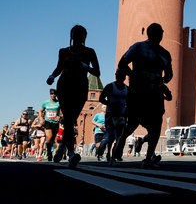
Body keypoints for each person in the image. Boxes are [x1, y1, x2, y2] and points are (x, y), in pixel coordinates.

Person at [112, 23, 173, 168]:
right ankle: (120, 145)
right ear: (149, 33)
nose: (158, 35)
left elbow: (169, 75)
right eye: (155, 32)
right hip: (138, 92)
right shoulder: (138, 47)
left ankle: (147, 158)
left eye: (159, 32)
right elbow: (122, 64)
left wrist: (161, 83)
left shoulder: (164, 53)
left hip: (154, 94)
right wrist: (133, 75)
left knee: (156, 125)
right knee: (132, 124)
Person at [46, 25, 100, 168]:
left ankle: (61, 148)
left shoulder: (89, 52)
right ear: (71, 36)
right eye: (76, 34)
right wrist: (52, 76)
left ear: (84, 37)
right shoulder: (63, 51)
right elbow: (58, 68)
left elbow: (97, 72)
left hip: (80, 87)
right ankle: (71, 153)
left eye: (81, 34)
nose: (78, 36)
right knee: (69, 120)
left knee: (71, 120)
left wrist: (85, 67)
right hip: (64, 86)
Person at [97, 68, 129, 166]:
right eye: (119, 74)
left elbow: (129, 102)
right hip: (110, 116)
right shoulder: (110, 86)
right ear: (116, 76)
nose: (120, 76)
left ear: (124, 77)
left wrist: (126, 114)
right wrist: (109, 103)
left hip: (121, 116)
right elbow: (101, 98)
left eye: (122, 75)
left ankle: (113, 156)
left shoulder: (127, 89)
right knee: (110, 137)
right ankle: (107, 153)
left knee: (119, 138)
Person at [40, 89, 61, 161]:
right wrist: (41, 118)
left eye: (55, 94)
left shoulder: (59, 103)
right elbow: (40, 111)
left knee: (52, 139)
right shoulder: (46, 103)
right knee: (49, 138)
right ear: (50, 95)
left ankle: (48, 150)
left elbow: (64, 112)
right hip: (48, 122)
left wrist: (59, 116)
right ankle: (49, 153)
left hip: (55, 123)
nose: (53, 95)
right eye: (52, 94)